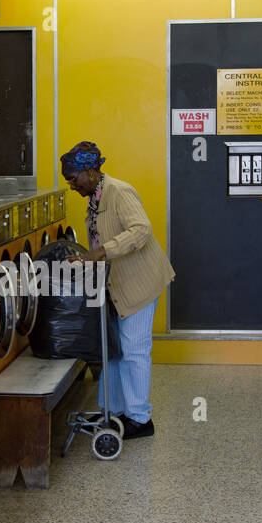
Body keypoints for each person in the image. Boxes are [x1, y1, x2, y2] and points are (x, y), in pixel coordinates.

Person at [59, 141, 175, 439]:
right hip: (116, 284)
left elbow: (141, 229)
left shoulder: (119, 191)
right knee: (113, 348)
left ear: (91, 171)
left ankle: (140, 419)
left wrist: (98, 254)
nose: (71, 186)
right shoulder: (95, 197)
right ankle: (115, 410)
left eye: (73, 179)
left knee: (134, 350)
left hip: (139, 282)